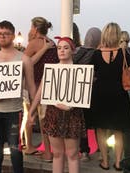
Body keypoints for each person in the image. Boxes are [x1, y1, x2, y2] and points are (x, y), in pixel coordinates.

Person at [0, 20, 36, 173]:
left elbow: (31, 86)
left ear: (13, 36)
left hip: (14, 111)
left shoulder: (24, 59)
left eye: (6, 34)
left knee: (15, 149)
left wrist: (34, 112)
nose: (2, 37)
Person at [28, 36, 83, 173]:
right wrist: (32, 111)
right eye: (59, 48)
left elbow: (82, 95)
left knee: (72, 154)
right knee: (57, 154)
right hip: (53, 113)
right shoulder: (51, 70)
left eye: (66, 48)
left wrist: (71, 106)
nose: (62, 51)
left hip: (72, 115)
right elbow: (40, 92)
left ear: (72, 50)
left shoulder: (80, 71)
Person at [85, 22, 130, 171]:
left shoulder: (96, 54)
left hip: (100, 95)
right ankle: (119, 162)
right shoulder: (125, 54)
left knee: (100, 129)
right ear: (118, 35)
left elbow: (89, 75)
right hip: (119, 95)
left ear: (104, 34)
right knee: (119, 130)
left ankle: (105, 162)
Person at [23, 16, 59, 162]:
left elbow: (25, 63)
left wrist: (41, 50)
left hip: (35, 84)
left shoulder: (34, 43)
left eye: (31, 26)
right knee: (46, 118)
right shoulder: (52, 43)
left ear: (36, 29)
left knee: (31, 116)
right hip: (50, 84)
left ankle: (31, 146)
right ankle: (48, 151)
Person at [73, 26, 101, 161]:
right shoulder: (98, 54)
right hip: (93, 92)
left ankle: (83, 151)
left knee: (81, 122)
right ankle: (101, 148)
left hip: (77, 92)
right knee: (95, 122)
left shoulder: (76, 51)